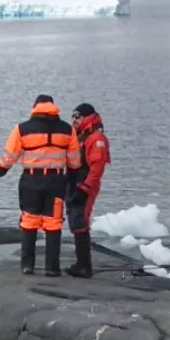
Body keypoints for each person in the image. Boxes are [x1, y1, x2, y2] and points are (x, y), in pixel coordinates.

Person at [0, 94, 82, 276]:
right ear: (53, 107)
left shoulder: (22, 129)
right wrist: (73, 183)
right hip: (56, 182)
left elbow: (8, 159)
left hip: (31, 181)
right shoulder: (67, 130)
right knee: (53, 224)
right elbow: (75, 162)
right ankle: (52, 268)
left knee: (29, 221)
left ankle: (27, 265)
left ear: (35, 107)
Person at [64, 103, 111, 278]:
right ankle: (80, 263)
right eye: (73, 116)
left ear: (87, 117)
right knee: (75, 220)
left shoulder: (96, 138)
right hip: (74, 181)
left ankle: (85, 265)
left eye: (77, 116)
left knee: (80, 220)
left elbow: (97, 169)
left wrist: (85, 189)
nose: (74, 120)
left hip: (85, 184)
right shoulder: (79, 135)